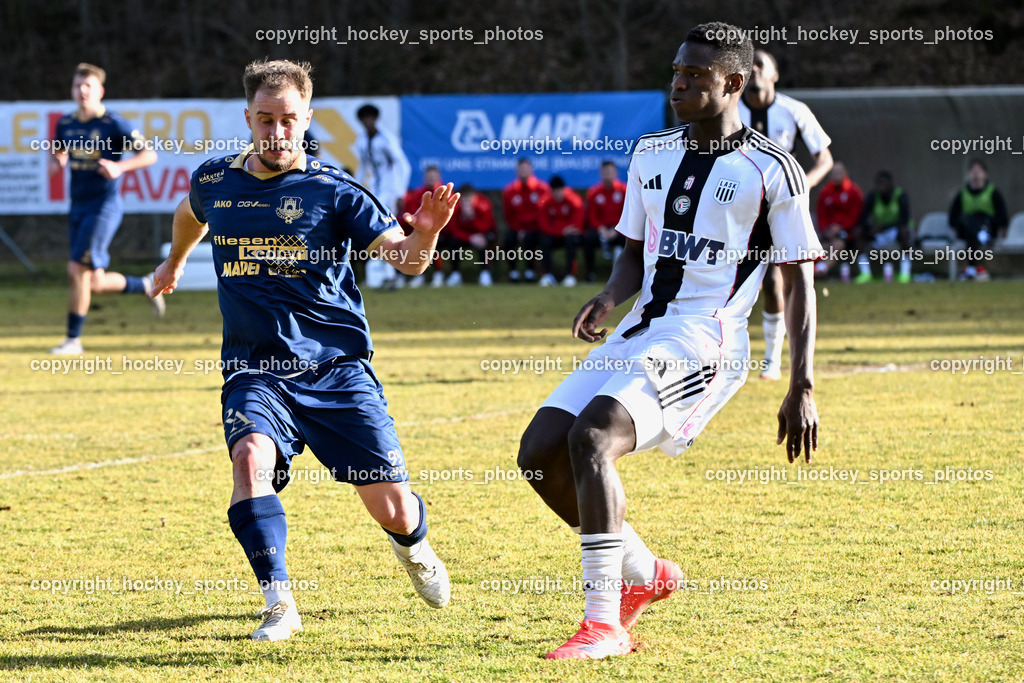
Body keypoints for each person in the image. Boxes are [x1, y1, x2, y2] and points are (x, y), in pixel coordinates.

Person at [517, 22, 820, 660]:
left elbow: (798, 281)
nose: (677, 85)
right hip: (642, 329)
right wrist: (609, 296)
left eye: (695, 76)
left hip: (707, 340)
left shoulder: (774, 169)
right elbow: (634, 252)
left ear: (734, 83)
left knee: (592, 438)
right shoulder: (651, 152)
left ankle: (602, 624)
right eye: (676, 72)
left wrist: (801, 384)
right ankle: (645, 573)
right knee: (539, 452)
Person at [150, 60, 457, 642]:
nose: (277, 132)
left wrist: (428, 232)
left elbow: (408, 261)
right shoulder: (215, 180)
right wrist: (175, 260)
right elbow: (190, 212)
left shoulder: (335, 191)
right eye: (265, 120)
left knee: (394, 510)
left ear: (307, 119)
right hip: (254, 369)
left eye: (288, 120)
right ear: (248, 118)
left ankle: (414, 548)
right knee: (249, 460)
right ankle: (279, 602)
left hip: (335, 370)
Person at [48, 62, 162, 354]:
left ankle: (72, 341)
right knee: (94, 282)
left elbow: (149, 155)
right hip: (77, 206)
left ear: (100, 91)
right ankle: (145, 285)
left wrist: (119, 167)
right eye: (77, 85)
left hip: (103, 207)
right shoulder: (66, 123)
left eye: (88, 86)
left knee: (76, 269)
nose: (82, 91)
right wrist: (56, 161)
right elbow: (58, 149)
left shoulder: (114, 124)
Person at [739, 49, 832, 380]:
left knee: (781, 279)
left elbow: (825, 159)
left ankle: (772, 359)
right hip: (739, 204)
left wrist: (802, 184)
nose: (754, 69)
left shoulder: (794, 110)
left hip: (782, 205)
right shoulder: (730, 109)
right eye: (749, 64)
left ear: (775, 74)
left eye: (761, 64)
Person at [353, 103, 412, 289]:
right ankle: (387, 275)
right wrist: (354, 186)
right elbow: (363, 166)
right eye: (364, 119)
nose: (368, 122)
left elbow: (403, 165)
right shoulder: (362, 141)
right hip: (375, 191)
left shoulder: (386, 139)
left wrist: (400, 192)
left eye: (370, 118)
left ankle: (392, 275)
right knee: (378, 231)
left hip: (390, 190)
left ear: (375, 119)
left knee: (387, 231)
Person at [948, 159, 1007, 281]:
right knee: (971, 229)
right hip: (967, 232)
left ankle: (972, 269)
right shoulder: (962, 194)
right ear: (968, 174)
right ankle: (974, 270)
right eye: (973, 172)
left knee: (976, 229)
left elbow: (1003, 219)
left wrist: (988, 222)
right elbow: (952, 219)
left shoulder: (993, 192)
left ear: (985, 174)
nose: (976, 175)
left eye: (979, 171)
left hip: (987, 230)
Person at [857, 171, 913, 283]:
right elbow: (862, 219)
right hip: (879, 233)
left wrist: (884, 227)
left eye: (884, 184)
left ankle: (905, 273)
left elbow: (905, 220)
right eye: (879, 184)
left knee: (904, 231)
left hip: (895, 232)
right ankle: (865, 273)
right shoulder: (873, 196)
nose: (881, 187)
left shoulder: (900, 195)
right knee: (858, 232)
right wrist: (870, 227)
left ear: (890, 184)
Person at [537, 175, 591, 287]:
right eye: (554, 191)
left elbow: (577, 224)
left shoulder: (574, 200)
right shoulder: (544, 201)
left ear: (564, 189)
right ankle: (547, 275)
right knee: (544, 240)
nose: (557, 193)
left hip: (569, 236)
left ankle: (571, 275)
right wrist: (563, 229)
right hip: (554, 235)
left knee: (571, 241)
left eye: (559, 190)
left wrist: (557, 227)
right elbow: (543, 225)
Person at [502, 158, 549, 282]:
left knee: (533, 239)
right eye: (521, 169)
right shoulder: (510, 191)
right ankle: (513, 271)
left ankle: (531, 270)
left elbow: (543, 213)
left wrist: (529, 229)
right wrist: (519, 229)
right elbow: (509, 215)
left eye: (526, 169)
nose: (523, 171)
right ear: (516, 171)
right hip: (517, 228)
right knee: (508, 239)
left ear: (531, 170)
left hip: (536, 228)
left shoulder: (542, 189)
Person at [815, 162, 863, 281]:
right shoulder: (825, 192)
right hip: (827, 233)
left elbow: (855, 215)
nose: (836, 175)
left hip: (847, 234)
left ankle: (820, 269)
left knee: (837, 245)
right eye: (834, 173)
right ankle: (813, 271)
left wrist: (840, 227)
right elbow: (821, 215)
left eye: (839, 172)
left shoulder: (853, 191)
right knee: (821, 247)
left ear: (845, 173)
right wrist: (826, 229)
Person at [443, 183, 497, 286]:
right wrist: (470, 238)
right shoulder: (456, 207)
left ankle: (485, 273)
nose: (467, 201)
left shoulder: (483, 204)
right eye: (464, 198)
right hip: (466, 236)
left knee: (484, 242)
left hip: (482, 234)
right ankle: (455, 273)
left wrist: (472, 217)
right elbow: (454, 229)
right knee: (453, 242)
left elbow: (486, 226)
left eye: (469, 197)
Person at [401, 165, 444, 287]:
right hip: (420, 229)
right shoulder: (418, 194)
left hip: (442, 230)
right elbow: (411, 212)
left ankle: (439, 274)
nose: (431, 179)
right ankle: (416, 275)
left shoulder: (446, 193)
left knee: (434, 242)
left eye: (433, 176)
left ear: (438, 177)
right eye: (429, 176)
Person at [586, 160, 627, 279]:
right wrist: (601, 229)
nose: (607, 175)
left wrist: (617, 229)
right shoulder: (594, 192)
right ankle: (590, 274)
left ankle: (623, 274)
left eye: (610, 172)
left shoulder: (624, 190)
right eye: (605, 172)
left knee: (627, 239)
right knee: (588, 239)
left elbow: (628, 213)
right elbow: (592, 216)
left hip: (619, 228)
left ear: (615, 173)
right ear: (601, 173)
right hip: (602, 229)